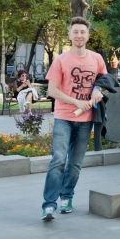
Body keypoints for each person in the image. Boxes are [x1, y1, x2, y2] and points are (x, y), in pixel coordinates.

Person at [41, 17, 106, 221]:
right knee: (58, 160)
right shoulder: (61, 60)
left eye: (82, 32)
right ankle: (49, 204)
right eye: (75, 32)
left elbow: (104, 80)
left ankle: (66, 197)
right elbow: (52, 90)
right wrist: (76, 102)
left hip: (85, 120)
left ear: (88, 35)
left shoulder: (96, 59)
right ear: (69, 35)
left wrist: (97, 89)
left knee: (75, 164)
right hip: (63, 117)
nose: (79, 35)